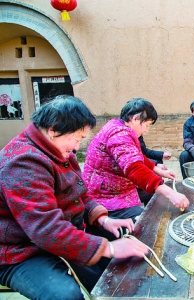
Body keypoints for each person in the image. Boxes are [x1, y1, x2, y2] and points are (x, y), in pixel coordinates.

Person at [0, 95, 149, 300]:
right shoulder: (22, 164)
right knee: (66, 295)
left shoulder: (59, 151)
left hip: (59, 237)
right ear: (53, 130)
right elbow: (46, 230)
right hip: (20, 251)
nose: (77, 147)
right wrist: (108, 247)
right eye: (77, 138)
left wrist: (102, 218)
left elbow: (80, 194)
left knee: (119, 263)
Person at [83, 98, 189, 240]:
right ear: (134, 118)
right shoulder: (119, 135)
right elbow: (134, 167)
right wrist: (171, 193)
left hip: (113, 188)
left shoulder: (118, 127)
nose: (146, 129)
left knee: (154, 194)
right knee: (145, 225)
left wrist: (158, 170)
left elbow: (136, 156)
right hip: (106, 198)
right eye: (146, 124)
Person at [137, 135, 172, 205]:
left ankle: (155, 189)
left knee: (159, 160)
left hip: (141, 165)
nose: (145, 130)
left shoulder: (138, 134)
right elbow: (135, 160)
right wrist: (155, 165)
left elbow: (144, 152)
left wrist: (161, 154)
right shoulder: (123, 137)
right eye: (146, 125)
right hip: (126, 191)